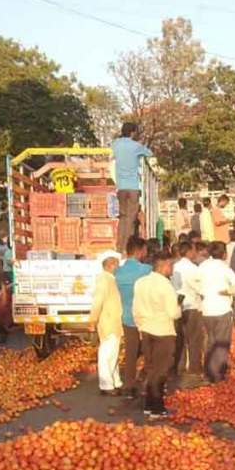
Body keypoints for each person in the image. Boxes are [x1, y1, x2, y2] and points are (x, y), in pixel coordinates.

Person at [132, 250, 182, 419]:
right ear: (164, 266)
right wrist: (179, 307)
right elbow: (173, 313)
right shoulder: (166, 286)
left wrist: (140, 327)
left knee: (151, 367)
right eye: (171, 265)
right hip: (163, 331)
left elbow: (136, 309)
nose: (172, 268)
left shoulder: (140, 282)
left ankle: (148, 405)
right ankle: (157, 407)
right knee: (161, 370)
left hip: (146, 329)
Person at [195, 241, 235, 382]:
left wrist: (203, 293)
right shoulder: (223, 267)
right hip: (221, 308)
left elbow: (196, 283)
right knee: (221, 343)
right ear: (224, 254)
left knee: (210, 341)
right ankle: (218, 374)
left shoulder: (202, 266)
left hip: (206, 309)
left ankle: (208, 372)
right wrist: (228, 292)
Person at [115, 237, 152, 399]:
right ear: (139, 251)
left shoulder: (117, 271)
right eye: (144, 250)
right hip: (144, 317)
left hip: (126, 316)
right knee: (150, 350)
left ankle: (128, 384)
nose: (146, 253)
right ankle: (147, 381)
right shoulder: (146, 270)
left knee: (130, 352)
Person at [110, 123, 153, 252]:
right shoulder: (136, 146)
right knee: (131, 218)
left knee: (123, 217)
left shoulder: (115, 144)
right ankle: (127, 247)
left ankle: (119, 245)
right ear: (133, 132)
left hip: (121, 187)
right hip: (133, 186)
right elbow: (149, 153)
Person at [89, 251, 123, 396]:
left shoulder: (110, 279)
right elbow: (98, 301)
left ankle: (115, 381)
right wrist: (93, 319)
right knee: (107, 354)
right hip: (109, 321)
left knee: (113, 353)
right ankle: (106, 384)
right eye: (116, 264)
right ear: (110, 265)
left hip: (112, 321)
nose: (118, 267)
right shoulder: (104, 279)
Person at [171, 241, 205, 384]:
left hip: (177, 306)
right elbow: (199, 287)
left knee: (180, 339)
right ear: (189, 252)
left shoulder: (174, 267)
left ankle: (179, 366)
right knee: (194, 339)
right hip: (191, 306)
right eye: (193, 250)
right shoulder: (192, 268)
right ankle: (194, 368)